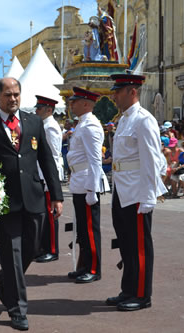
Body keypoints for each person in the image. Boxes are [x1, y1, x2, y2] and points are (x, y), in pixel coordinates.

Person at [0, 78, 63, 331]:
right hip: (3, 202)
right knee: (11, 254)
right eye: (8, 95)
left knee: (32, 248)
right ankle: (17, 309)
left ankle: (5, 280)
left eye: (16, 94)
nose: (13, 99)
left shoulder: (33, 122)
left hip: (33, 197)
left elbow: (46, 160)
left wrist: (56, 195)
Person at [107, 74, 165, 311]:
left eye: (118, 91)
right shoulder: (124, 119)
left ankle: (141, 294)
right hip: (122, 190)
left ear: (132, 91)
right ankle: (128, 289)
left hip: (137, 192)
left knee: (140, 245)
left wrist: (149, 196)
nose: (114, 96)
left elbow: (152, 159)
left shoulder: (144, 119)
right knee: (127, 244)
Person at [65, 87, 104, 283]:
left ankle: (94, 269)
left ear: (86, 104)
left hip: (87, 181)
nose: (72, 104)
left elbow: (95, 160)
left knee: (89, 229)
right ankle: (85, 265)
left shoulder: (90, 126)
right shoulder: (82, 124)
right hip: (80, 179)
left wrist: (91, 189)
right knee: (82, 228)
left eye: (75, 101)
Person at [33, 95, 63, 264]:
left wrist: (47, 179)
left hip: (47, 176)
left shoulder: (50, 127)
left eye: (39, 108)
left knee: (51, 216)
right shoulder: (44, 125)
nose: (36, 110)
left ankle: (52, 249)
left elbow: (51, 156)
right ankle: (44, 247)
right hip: (42, 176)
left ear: (49, 110)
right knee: (44, 214)